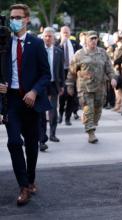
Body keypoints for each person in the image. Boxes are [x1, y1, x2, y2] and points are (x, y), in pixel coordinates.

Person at [5, 3, 52, 206]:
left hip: (31, 101)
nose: (13, 21)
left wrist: (34, 91)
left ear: (26, 19)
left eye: (17, 17)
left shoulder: (36, 43)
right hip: (12, 101)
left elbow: (46, 74)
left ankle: (31, 179)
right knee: (14, 142)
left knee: (32, 146)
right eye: (11, 17)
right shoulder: (4, 44)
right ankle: (23, 186)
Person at [66, 31, 117, 143]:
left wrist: (113, 78)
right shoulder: (79, 54)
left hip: (100, 87)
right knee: (88, 109)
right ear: (86, 40)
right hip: (85, 88)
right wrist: (69, 85)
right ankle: (91, 133)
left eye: (95, 38)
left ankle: (89, 122)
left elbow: (109, 68)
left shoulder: (102, 53)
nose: (94, 41)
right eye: (91, 39)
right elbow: (72, 72)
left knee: (98, 109)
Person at [38, 27, 65, 151]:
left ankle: (53, 134)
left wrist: (62, 85)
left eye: (50, 36)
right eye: (46, 36)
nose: (48, 38)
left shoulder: (58, 52)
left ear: (54, 38)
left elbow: (61, 70)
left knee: (53, 111)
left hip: (54, 84)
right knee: (41, 112)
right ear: (43, 37)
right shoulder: (38, 50)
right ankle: (41, 138)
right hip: (41, 85)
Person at [58, 26, 81, 126]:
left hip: (72, 72)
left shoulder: (75, 44)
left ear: (70, 33)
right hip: (61, 72)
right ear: (60, 33)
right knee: (62, 95)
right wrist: (61, 44)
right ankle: (60, 115)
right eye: (64, 32)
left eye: (67, 32)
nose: (65, 34)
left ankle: (68, 117)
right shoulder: (57, 44)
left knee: (71, 95)